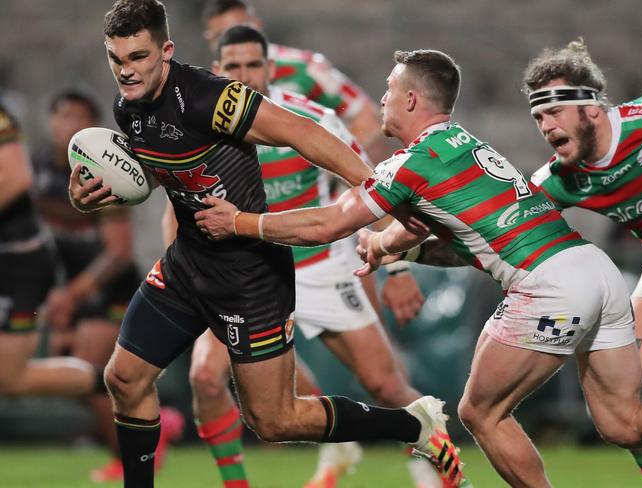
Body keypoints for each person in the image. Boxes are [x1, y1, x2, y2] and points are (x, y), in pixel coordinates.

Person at [196, 48, 642, 487]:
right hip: (597, 271)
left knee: (479, 412)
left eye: (389, 90)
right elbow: (463, 244)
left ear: (410, 99)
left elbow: (327, 224)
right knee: (625, 425)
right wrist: (399, 249)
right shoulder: (464, 145)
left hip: (550, 285)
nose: (382, 100)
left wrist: (240, 222)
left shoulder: (409, 164)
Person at [69, 3, 465, 487]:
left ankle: (413, 423)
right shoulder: (128, 106)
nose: (126, 70)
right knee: (124, 379)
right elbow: (161, 170)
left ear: (166, 51)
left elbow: (300, 130)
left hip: (250, 277)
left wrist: (376, 191)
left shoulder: (209, 97)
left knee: (275, 421)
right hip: (189, 265)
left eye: (138, 56)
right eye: (116, 58)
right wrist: (98, 193)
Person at [162, 24, 442, 488]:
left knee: (384, 384)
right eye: (234, 66)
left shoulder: (310, 120)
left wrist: (399, 267)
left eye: (255, 64)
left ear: (271, 69)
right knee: (206, 378)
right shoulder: (196, 127)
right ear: (217, 71)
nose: (246, 74)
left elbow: (370, 190)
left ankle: (435, 458)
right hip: (241, 274)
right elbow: (176, 211)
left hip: (318, 265)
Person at [200, 0, 425, 327]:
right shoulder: (203, 104)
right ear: (213, 46)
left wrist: (334, 166)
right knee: (210, 373)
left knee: (378, 367)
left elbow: (366, 119)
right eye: (224, 34)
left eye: (244, 27)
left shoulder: (305, 71)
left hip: (321, 223)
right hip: (245, 259)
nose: (244, 75)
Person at [31, 89, 184, 483]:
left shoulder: (103, 168)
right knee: (76, 375)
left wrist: (70, 294)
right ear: (50, 122)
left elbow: (118, 253)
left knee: (88, 365)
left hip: (111, 290)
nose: (68, 123)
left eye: (78, 117)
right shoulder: (38, 171)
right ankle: (152, 425)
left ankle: (139, 443)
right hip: (72, 290)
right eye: (62, 115)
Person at [522, 38, 642, 481]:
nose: (545, 125)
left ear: (591, 109)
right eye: (539, 116)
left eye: (554, 111)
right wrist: (409, 249)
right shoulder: (559, 180)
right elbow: (499, 229)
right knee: (621, 418)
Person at [0, 97, 104, 399]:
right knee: (8, 380)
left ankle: (122, 383)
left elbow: (17, 178)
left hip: (19, 265)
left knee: (9, 378)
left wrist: (74, 292)